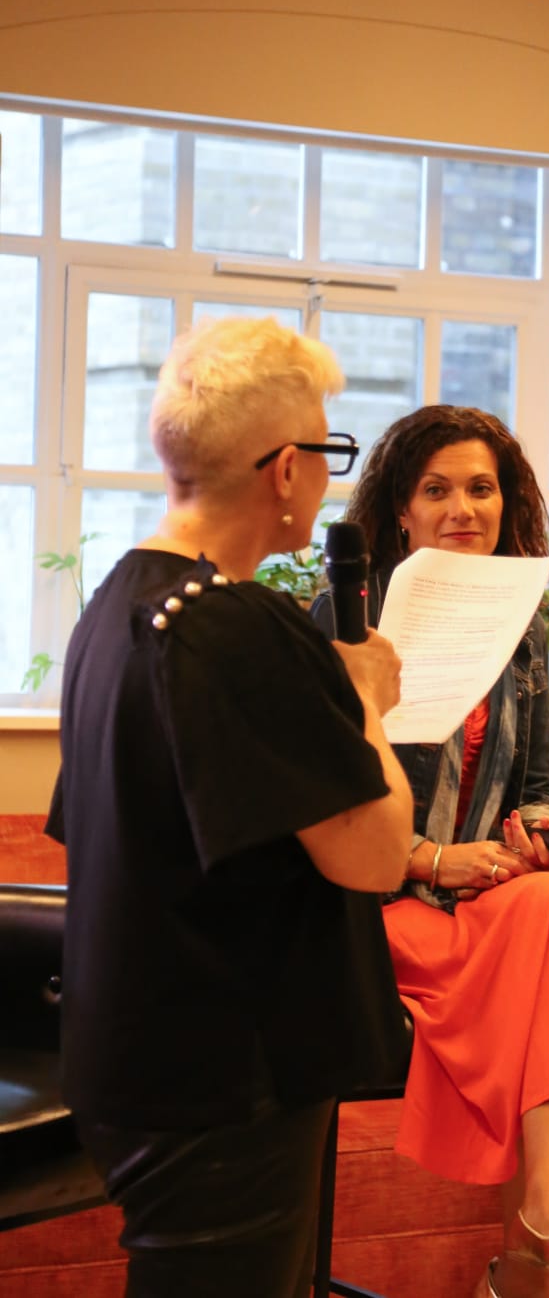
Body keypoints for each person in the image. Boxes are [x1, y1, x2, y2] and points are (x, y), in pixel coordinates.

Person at [46, 317, 414, 1298]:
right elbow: (376, 854)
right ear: (286, 470)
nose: (327, 480)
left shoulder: (116, 604)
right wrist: (364, 699)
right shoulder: (238, 625)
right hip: (225, 1073)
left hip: (135, 1052)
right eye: (329, 454)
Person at [312, 405, 549, 1298]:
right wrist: (429, 858)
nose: (463, 509)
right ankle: (527, 1270)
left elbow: (536, 787)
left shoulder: (521, 626)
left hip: (481, 906)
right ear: (400, 512)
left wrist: (539, 834)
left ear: (505, 502)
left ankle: (548, 1210)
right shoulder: (346, 616)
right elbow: (321, 793)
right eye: (437, 490)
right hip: (372, 913)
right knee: (536, 982)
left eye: (481, 489)